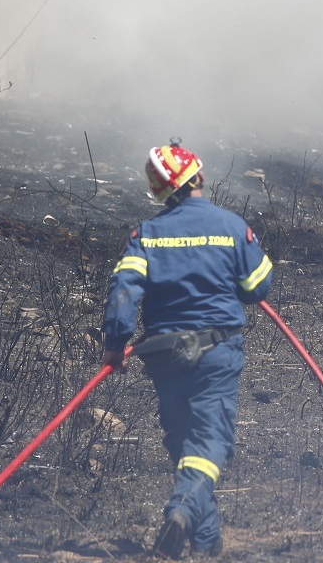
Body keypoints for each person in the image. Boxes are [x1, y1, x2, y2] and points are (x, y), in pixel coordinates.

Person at [100, 140, 273, 559]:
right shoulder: (232, 226)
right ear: (197, 176)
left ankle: (207, 541)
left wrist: (116, 344)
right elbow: (257, 288)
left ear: (159, 191)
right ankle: (180, 510)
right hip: (216, 351)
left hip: (163, 355)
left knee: (183, 441)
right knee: (210, 442)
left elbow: (124, 290)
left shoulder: (146, 234)